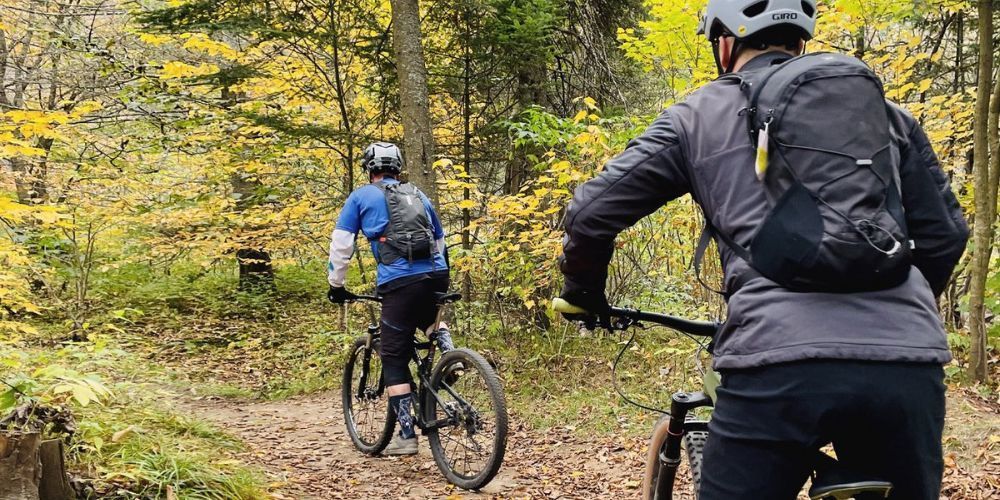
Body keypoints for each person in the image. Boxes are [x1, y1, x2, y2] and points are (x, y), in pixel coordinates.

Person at [555, 0, 969, 498]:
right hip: (907, 364)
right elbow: (946, 234)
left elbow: (590, 212)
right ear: (800, 41)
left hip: (777, 360)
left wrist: (584, 291)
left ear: (725, 43)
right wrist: (905, 310)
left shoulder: (698, 115)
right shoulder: (885, 114)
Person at [327, 142, 452, 456]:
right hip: (437, 273)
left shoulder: (360, 196)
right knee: (426, 315)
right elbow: (439, 239)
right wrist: (437, 273)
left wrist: (336, 284)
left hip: (399, 279)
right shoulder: (418, 194)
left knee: (394, 357)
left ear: (370, 169)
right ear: (398, 169)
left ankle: (407, 436)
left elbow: (342, 244)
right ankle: (450, 352)